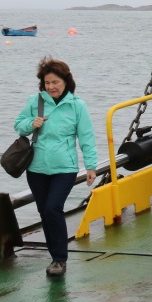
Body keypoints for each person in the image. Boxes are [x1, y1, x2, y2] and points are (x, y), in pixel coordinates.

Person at [14, 57, 98, 277]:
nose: (51, 87)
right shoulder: (36, 101)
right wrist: (30, 123)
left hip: (65, 168)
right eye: (47, 83)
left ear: (65, 82)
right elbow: (18, 125)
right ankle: (55, 258)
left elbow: (86, 137)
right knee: (45, 212)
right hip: (36, 168)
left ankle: (60, 259)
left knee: (53, 208)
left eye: (55, 82)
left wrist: (91, 166)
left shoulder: (77, 105)